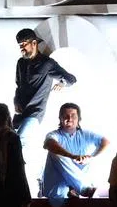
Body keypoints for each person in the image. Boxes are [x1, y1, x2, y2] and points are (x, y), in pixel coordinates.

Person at [12, 28, 77, 193]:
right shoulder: (21, 63)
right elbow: (18, 86)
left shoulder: (47, 63)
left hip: (35, 112)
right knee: (19, 146)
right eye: (20, 45)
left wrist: (62, 83)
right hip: (20, 114)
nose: (22, 48)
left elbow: (71, 79)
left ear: (34, 43)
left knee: (20, 144)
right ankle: (39, 178)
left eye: (24, 44)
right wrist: (16, 101)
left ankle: (24, 185)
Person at [41, 102, 108, 207]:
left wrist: (91, 157)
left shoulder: (85, 134)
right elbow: (49, 144)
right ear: (60, 118)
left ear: (79, 119)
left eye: (73, 116)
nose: (69, 119)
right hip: (58, 191)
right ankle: (83, 189)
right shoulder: (53, 135)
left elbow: (105, 141)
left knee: (89, 158)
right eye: (65, 116)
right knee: (55, 152)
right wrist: (72, 156)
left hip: (78, 192)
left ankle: (78, 189)